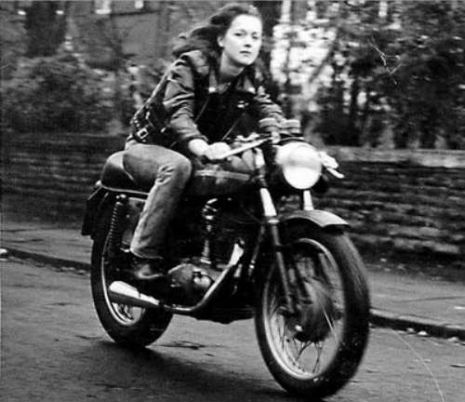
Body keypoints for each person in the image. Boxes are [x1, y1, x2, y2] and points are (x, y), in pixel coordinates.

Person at [123, 3, 285, 282]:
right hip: (149, 146)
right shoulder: (190, 66)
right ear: (221, 39)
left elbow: (267, 111)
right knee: (177, 167)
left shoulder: (249, 78)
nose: (248, 43)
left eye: (255, 37)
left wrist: (288, 141)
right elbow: (179, 113)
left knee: (252, 172)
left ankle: (225, 257)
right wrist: (202, 146)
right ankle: (142, 255)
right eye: (240, 35)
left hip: (196, 150)